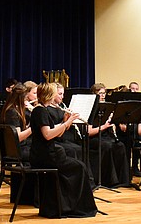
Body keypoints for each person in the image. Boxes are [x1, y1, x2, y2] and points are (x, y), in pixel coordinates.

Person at [30, 82, 98, 218]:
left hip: (47, 153)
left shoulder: (43, 109)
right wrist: (68, 122)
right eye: (56, 92)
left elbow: (57, 134)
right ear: (50, 94)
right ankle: (74, 206)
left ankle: (66, 205)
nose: (58, 95)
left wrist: (65, 121)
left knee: (78, 166)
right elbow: (48, 135)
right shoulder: (40, 111)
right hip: (45, 155)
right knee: (80, 167)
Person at [86, 83, 130, 188]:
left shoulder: (107, 107)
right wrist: (105, 126)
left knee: (120, 146)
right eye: (100, 93)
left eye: (104, 93)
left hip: (105, 136)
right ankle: (109, 180)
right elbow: (89, 132)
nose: (103, 95)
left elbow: (110, 126)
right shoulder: (90, 109)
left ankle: (122, 180)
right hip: (93, 138)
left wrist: (112, 123)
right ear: (94, 94)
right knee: (107, 146)